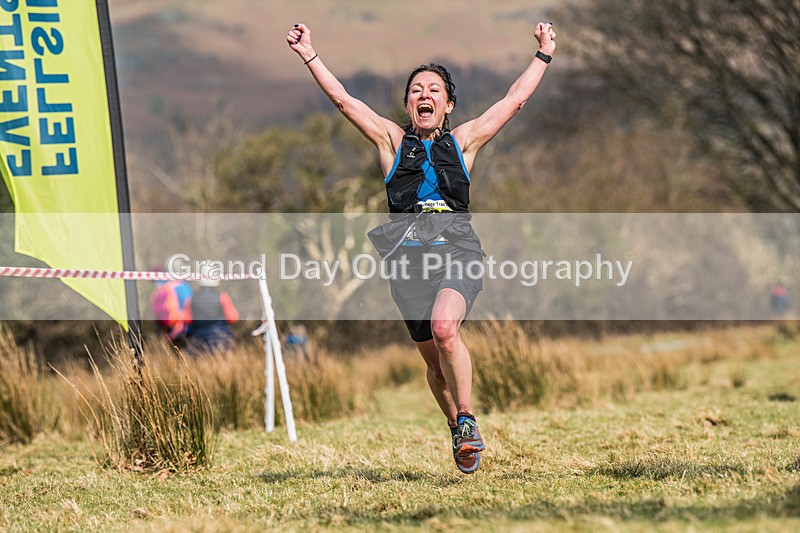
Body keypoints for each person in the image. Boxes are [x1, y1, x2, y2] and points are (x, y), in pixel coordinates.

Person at [287, 21, 556, 474]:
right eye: (416, 90)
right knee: (434, 366)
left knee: (445, 329)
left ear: (447, 105)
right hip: (407, 266)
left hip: (458, 253)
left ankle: (467, 418)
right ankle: (455, 427)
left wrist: (544, 53)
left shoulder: (463, 141)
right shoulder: (391, 141)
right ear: (408, 104)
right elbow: (343, 100)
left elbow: (514, 100)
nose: (424, 95)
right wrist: (309, 53)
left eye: (434, 90)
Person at [184, 268, 239, 355]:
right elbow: (233, 318)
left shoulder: (191, 298)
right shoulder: (222, 297)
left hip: (198, 340)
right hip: (222, 338)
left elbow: (187, 319)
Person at [150, 274, 192, 346]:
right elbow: (187, 308)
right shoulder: (185, 287)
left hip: (166, 325)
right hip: (180, 325)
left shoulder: (163, 287)